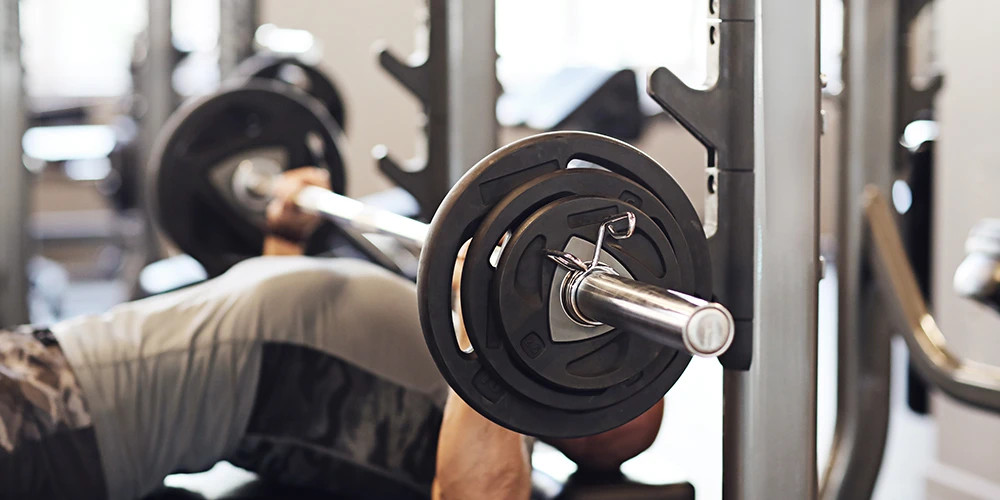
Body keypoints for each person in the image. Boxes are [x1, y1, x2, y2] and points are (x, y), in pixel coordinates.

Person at [0, 168, 664, 500]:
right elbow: (276, 364)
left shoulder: (470, 408)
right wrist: (283, 246)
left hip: (62, 414)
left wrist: (486, 337)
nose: (605, 369)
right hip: (53, 381)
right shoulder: (455, 376)